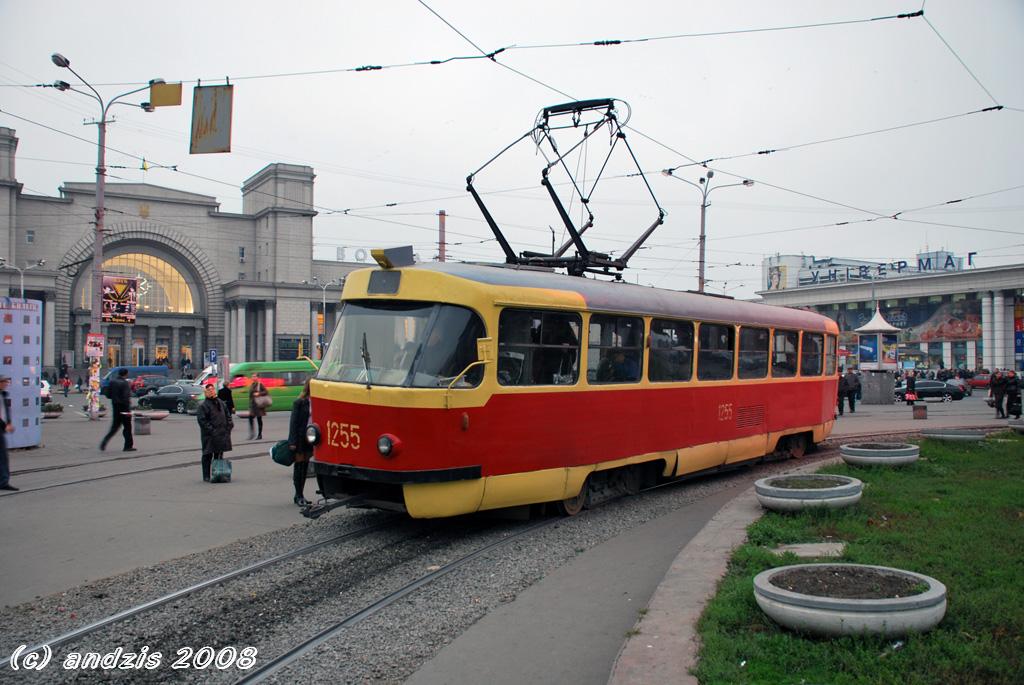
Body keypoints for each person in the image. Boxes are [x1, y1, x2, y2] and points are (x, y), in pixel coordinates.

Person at [196, 383, 233, 482]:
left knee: (219, 454)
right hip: (209, 436)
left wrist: (229, 426)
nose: (211, 391)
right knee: (207, 455)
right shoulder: (203, 406)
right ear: (206, 392)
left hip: (222, 433)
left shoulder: (220, 402)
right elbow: (202, 421)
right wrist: (212, 430)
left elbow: (228, 415)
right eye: (209, 390)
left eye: (212, 389)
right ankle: (206, 475)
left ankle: (218, 473)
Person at [288, 379, 314, 506]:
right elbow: (293, 423)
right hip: (299, 438)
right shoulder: (299, 402)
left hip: (310, 438)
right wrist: (292, 442)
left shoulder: (318, 402)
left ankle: (301, 494)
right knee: (299, 466)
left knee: (305, 467)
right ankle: (298, 495)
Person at [100, 368, 135, 452]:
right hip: (124, 408)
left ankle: (104, 441)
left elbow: (108, 394)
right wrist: (128, 409)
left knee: (114, 427)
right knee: (127, 428)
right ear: (126, 374)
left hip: (115, 406)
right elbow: (126, 396)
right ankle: (128, 446)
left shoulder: (112, 382)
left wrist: (115, 398)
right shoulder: (125, 383)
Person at [0, 375, 18, 491]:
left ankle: (3, 480)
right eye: (4, 381)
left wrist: (9, 423)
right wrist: (5, 425)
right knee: (2, 456)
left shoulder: (3, 395)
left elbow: (6, 412)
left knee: (2, 456)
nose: (6, 383)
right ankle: (3, 481)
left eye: (7, 381)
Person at [247, 374, 268, 440]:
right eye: (252, 376)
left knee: (259, 419)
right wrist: (249, 405)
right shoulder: (252, 385)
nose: (253, 377)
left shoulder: (260, 384)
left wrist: (259, 393)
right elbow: (250, 396)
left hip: (259, 405)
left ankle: (259, 434)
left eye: (255, 376)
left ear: (257, 377)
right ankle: (252, 434)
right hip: (253, 405)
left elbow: (266, 392)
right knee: (250, 418)